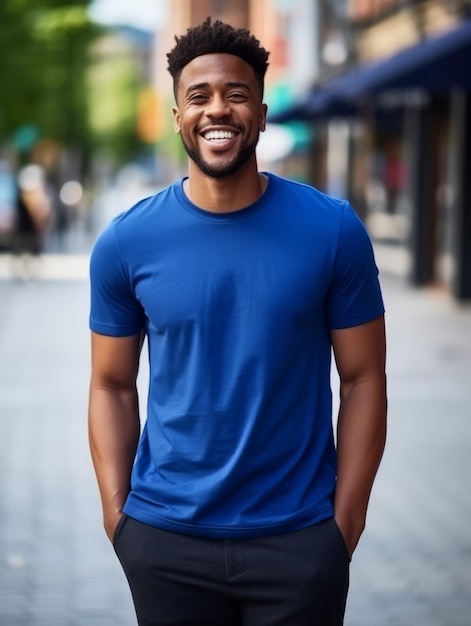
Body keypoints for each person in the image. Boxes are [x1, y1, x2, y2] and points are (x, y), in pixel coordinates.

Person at [88, 17, 387, 626]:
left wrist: (344, 524)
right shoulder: (126, 242)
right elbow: (111, 385)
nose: (217, 109)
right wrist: (120, 519)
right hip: (165, 539)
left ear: (261, 111)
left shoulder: (333, 231)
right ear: (177, 115)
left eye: (236, 94)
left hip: (300, 540)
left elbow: (364, 379)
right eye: (198, 97)